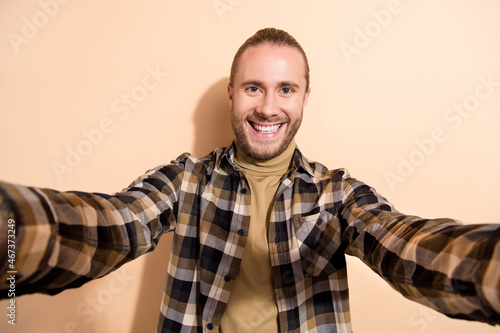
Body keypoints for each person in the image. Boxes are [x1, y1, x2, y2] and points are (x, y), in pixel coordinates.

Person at [1, 27, 499, 333]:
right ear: (231, 93)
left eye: (286, 88)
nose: (268, 106)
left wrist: (489, 269)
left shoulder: (338, 194)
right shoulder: (184, 181)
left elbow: (403, 243)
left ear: (305, 98)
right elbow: (112, 223)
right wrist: (13, 232)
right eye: (253, 88)